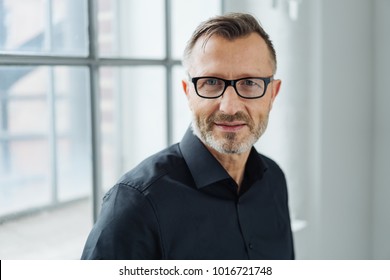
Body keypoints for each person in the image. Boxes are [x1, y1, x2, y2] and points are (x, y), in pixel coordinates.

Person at [81, 12, 294, 260]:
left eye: (249, 83)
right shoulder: (134, 204)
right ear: (188, 92)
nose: (229, 107)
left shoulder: (274, 180)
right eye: (212, 82)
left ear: (273, 94)